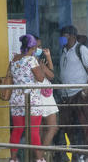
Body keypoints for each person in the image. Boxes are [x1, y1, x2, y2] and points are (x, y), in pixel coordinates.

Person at [59, 25, 88, 161]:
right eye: (62, 35)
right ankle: (76, 156)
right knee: (69, 128)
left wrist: (85, 90)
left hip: (79, 94)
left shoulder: (81, 49)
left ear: (73, 36)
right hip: (66, 96)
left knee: (85, 127)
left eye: (66, 35)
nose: (63, 38)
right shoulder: (63, 51)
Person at [9, 34, 45, 162]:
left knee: (17, 130)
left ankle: (13, 159)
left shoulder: (14, 59)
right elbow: (40, 78)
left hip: (16, 98)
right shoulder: (31, 60)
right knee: (34, 130)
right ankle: (39, 159)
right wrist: (41, 66)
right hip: (32, 98)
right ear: (33, 47)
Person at [34, 36, 59, 150]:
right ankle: (40, 155)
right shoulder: (34, 61)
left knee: (43, 129)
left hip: (44, 97)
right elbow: (52, 76)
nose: (40, 49)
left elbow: (50, 73)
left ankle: (40, 155)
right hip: (42, 97)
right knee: (51, 128)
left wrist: (48, 58)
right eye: (38, 46)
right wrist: (45, 66)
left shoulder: (37, 60)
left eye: (40, 46)